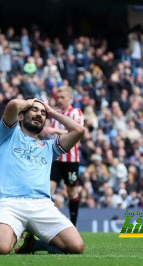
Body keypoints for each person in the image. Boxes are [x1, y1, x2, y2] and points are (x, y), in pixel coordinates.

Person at [0, 98, 85, 255]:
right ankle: (7, 235)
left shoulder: (49, 147)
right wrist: (31, 102)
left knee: (77, 247)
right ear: (21, 116)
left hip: (42, 205)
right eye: (35, 110)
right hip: (10, 204)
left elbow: (79, 131)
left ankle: (34, 244)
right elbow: (13, 105)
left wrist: (52, 113)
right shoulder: (9, 135)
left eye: (43, 113)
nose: (40, 114)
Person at [45, 85, 84, 226]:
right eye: (58, 97)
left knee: (71, 191)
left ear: (70, 98)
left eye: (62, 97)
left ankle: (73, 224)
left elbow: (78, 133)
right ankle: (46, 222)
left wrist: (54, 129)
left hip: (71, 160)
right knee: (48, 189)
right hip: (55, 158)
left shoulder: (77, 113)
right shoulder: (56, 114)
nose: (59, 100)